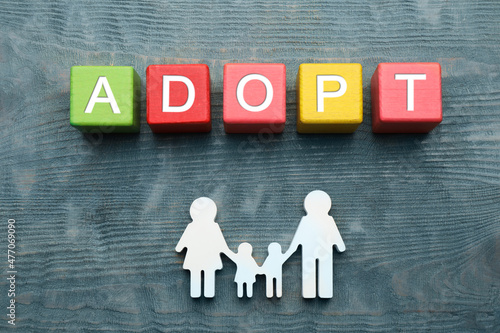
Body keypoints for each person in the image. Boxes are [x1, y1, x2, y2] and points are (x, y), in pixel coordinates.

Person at [284, 190, 346, 298]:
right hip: (322, 250)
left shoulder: (318, 220)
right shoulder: (323, 220)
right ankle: (317, 292)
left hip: (314, 251)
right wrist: (340, 246)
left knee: (314, 271)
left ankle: (315, 292)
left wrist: (291, 249)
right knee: (320, 271)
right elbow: (334, 235)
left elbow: (298, 238)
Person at [175, 197, 233, 298]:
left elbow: (180, 247)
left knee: (196, 273)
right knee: (208, 273)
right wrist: (231, 254)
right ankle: (208, 293)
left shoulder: (192, 227)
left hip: (194, 258)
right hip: (210, 258)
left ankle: (196, 293)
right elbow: (222, 246)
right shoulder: (213, 227)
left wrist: (180, 248)